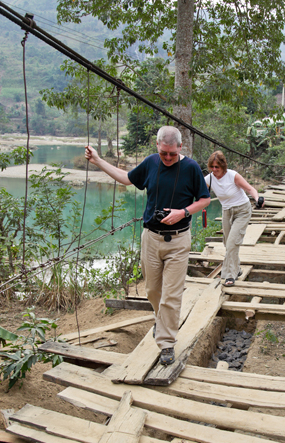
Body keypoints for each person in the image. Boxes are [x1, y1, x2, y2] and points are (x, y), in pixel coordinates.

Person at [85, 126, 210, 366]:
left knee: (171, 296)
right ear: (157, 147)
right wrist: (99, 160)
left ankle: (166, 343)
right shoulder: (151, 163)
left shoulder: (192, 168)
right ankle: (160, 320)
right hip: (151, 238)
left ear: (180, 148)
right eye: (164, 153)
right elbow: (126, 178)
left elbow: (204, 200)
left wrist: (182, 212)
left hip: (178, 239)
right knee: (153, 292)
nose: (168, 158)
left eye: (172, 154)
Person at [205, 150, 264, 287]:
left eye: (217, 167)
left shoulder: (233, 176)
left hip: (242, 210)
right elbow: (196, 189)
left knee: (232, 242)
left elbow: (250, 189)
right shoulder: (209, 178)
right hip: (226, 211)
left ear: (223, 166)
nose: (214, 170)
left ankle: (229, 275)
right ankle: (236, 269)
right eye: (212, 167)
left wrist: (258, 198)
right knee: (228, 243)